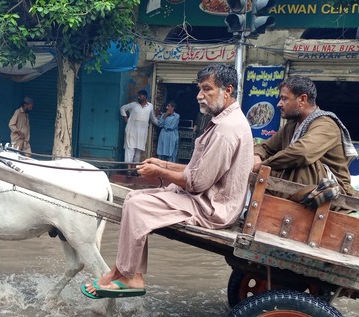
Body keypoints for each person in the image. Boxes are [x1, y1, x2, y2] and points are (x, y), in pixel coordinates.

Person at [82, 64, 254, 299]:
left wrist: (160, 174)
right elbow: (200, 171)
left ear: (228, 90)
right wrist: (163, 164)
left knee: (136, 205)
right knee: (133, 196)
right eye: (199, 89)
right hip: (208, 198)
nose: (199, 96)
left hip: (212, 207)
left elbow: (198, 183)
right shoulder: (225, 121)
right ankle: (130, 273)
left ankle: (123, 273)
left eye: (206, 89)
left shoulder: (226, 129)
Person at [252, 75, 357, 197]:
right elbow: (264, 147)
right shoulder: (291, 126)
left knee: (299, 159)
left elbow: (302, 152)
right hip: (303, 189)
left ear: (302, 99)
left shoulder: (326, 124)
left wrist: (263, 166)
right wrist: (256, 156)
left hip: (331, 191)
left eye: (284, 99)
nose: (279, 104)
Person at [120, 89, 158, 173]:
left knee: (138, 153)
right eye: (138, 95)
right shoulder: (133, 105)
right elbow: (122, 108)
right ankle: (128, 171)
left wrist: (161, 124)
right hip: (131, 131)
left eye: (140, 96)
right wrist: (126, 119)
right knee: (129, 150)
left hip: (142, 133)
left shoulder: (150, 106)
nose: (138, 97)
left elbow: (153, 118)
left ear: (145, 97)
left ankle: (134, 170)